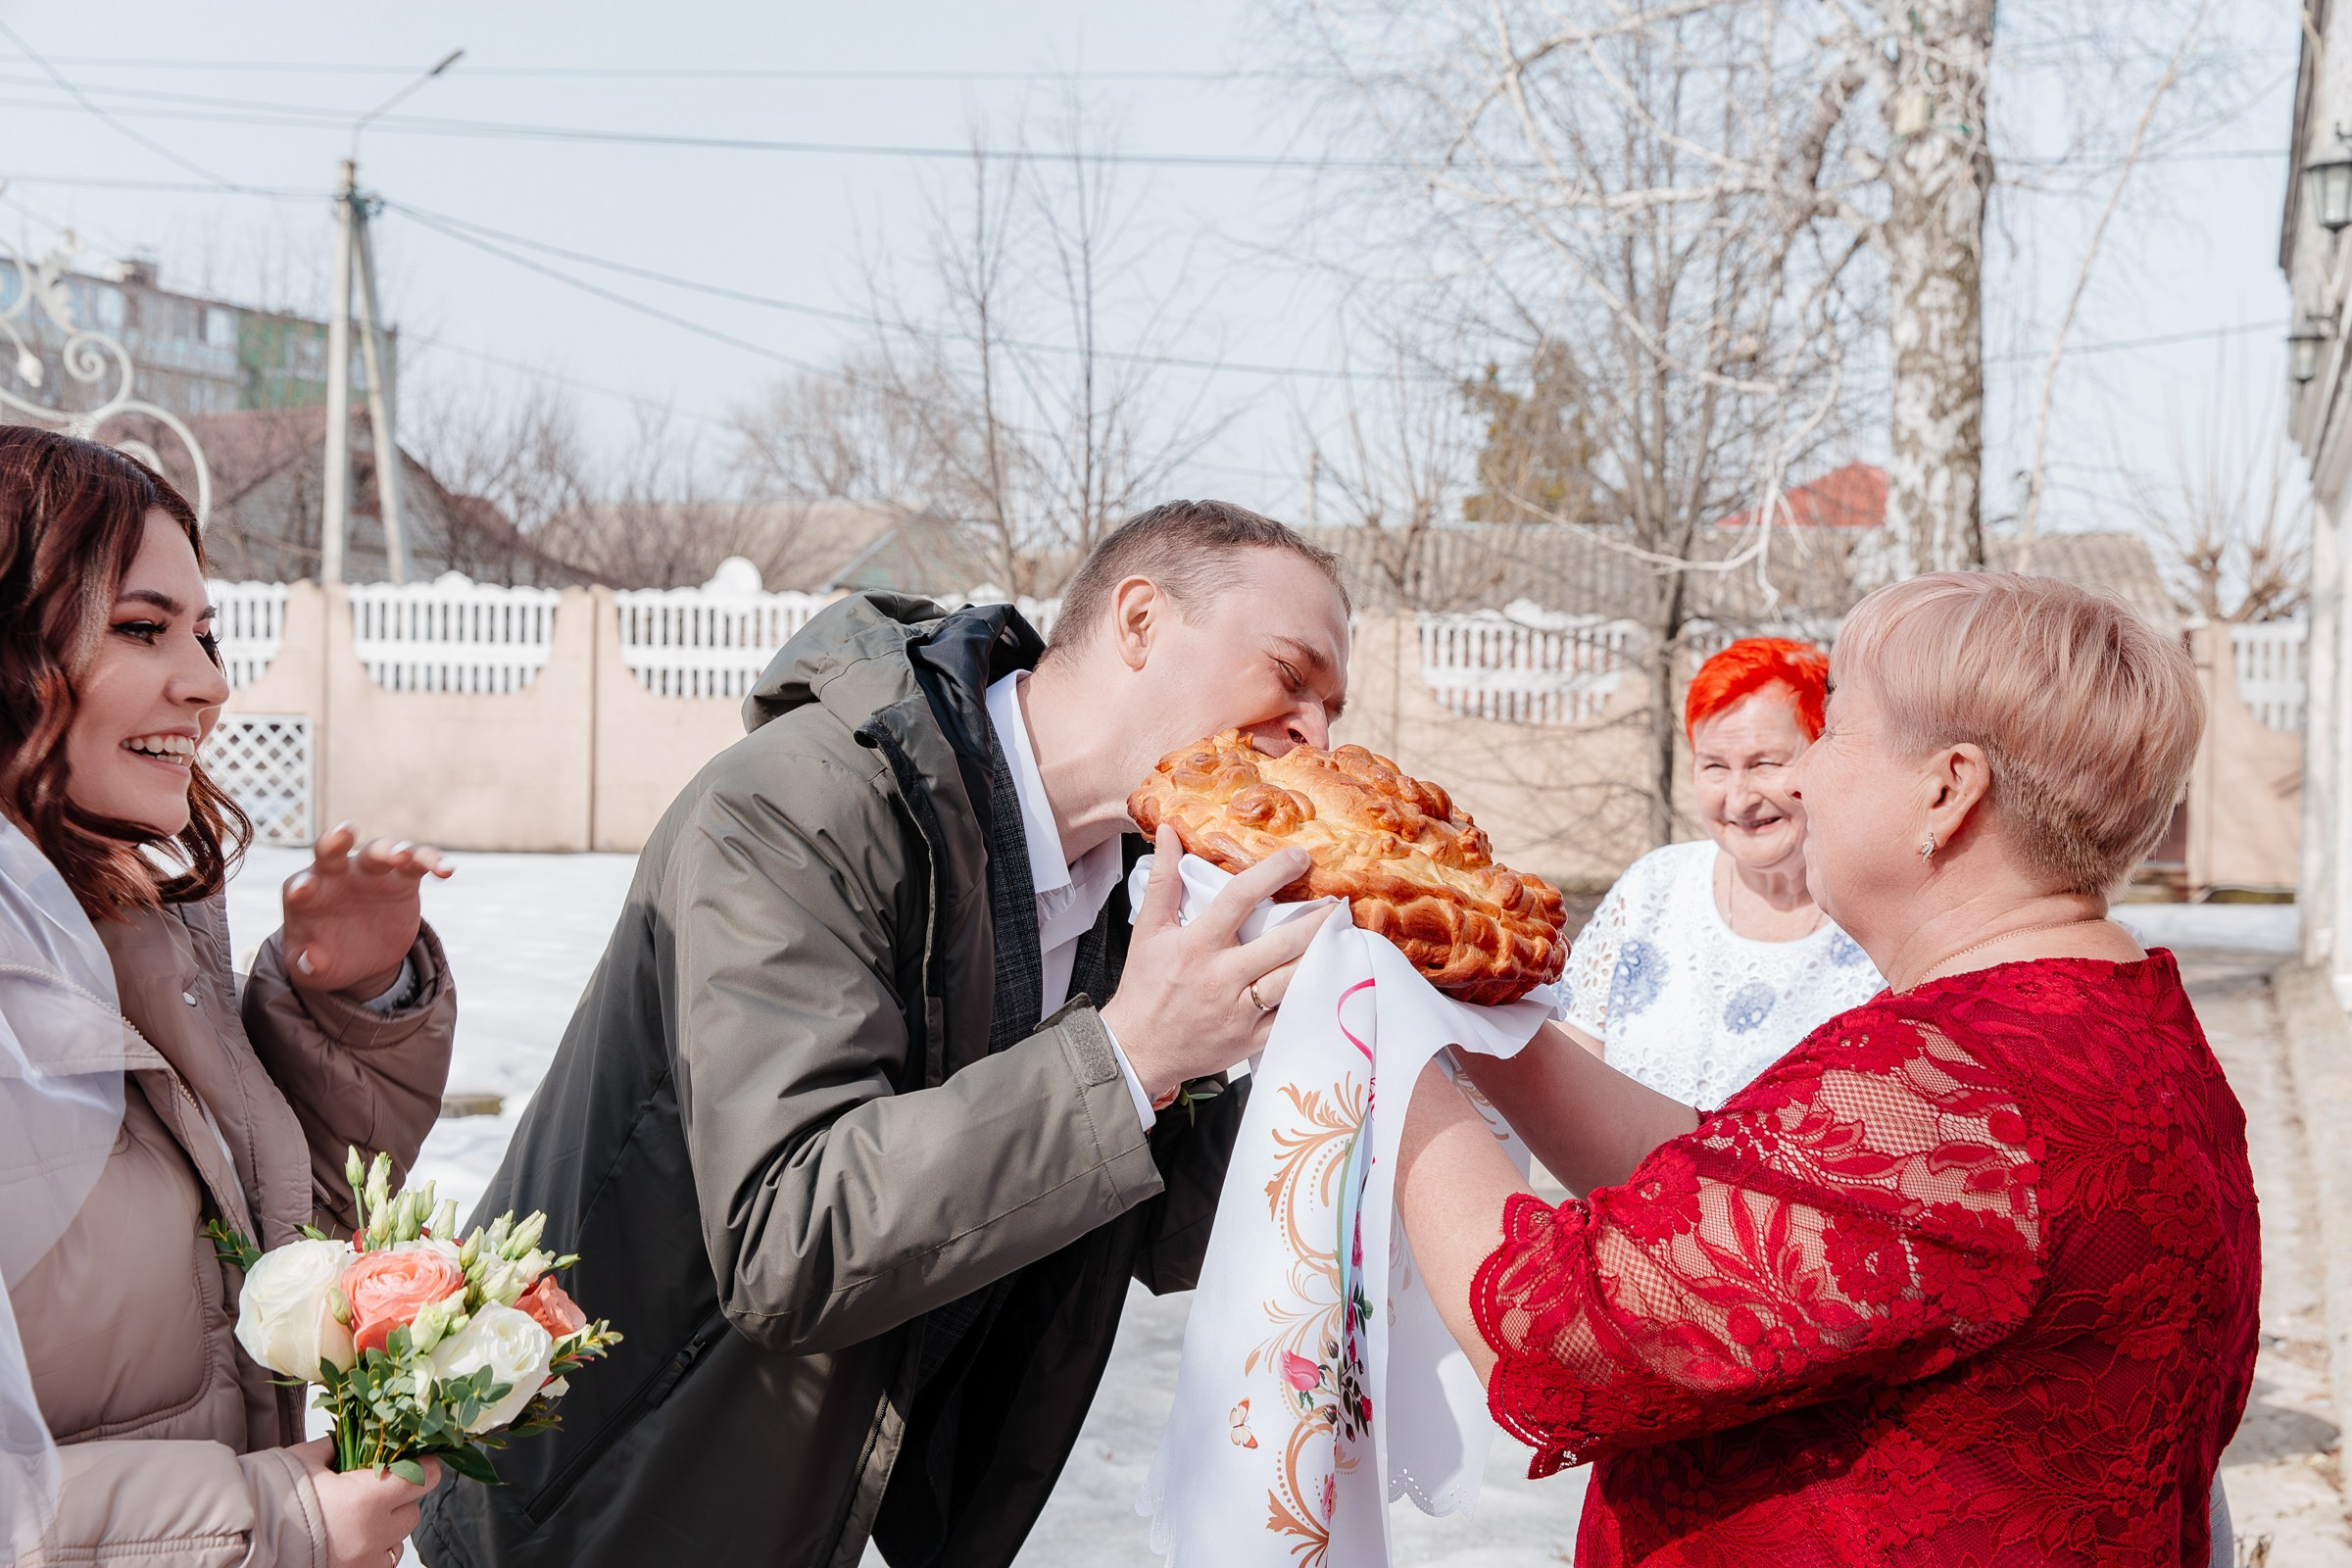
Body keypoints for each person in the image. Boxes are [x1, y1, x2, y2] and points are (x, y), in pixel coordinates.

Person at [417, 501, 1349, 1568]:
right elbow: (789, 1237)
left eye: (1332, 706)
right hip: (589, 1498)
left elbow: (1157, 1218)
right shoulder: (800, 809)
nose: (1316, 735)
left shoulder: (1135, 893)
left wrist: (1331, 1073)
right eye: (1292, 676)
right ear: (1141, 621)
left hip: (830, 1510)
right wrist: (1130, 1054)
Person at [1396, 571, 2254, 1566]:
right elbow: (1731, 1191)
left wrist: (1373, 1019)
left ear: (1948, 786)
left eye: (1835, 732)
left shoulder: (1949, 1084)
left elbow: (1546, 1333)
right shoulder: (2119, 1024)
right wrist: (1479, 1011)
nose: (1799, 781)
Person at [0, 428, 458, 1568]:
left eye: (205, 632)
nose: (206, 682)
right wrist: (272, 1524)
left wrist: (345, 998)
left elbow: (270, 1269)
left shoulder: (133, 934)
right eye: (142, 627)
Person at [1559, 637, 1881, 1106]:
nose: (1738, 798)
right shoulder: (1654, 887)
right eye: (1714, 766)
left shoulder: (1878, 919)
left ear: (1823, 758)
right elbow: (1573, 1065)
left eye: (1763, 764)